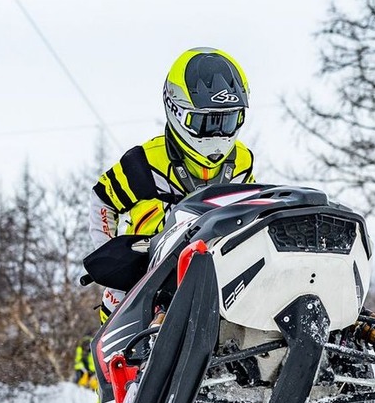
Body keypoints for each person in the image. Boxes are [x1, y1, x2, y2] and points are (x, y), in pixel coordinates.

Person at [89, 46, 254, 322]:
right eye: (205, 121)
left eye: (226, 120)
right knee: (117, 309)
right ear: (176, 111)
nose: (216, 133)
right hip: (145, 276)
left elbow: (249, 214)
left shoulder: (243, 161)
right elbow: (103, 200)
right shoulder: (144, 162)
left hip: (215, 274)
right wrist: (111, 260)